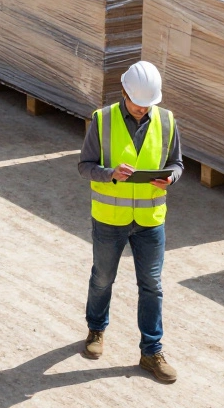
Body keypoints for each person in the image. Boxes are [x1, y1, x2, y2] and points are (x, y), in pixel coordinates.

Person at [77, 61, 183, 383]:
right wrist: (110, 175)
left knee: (152, 285)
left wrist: (171, 178)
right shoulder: (102, 120)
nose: (142, 109)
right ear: (124, 92)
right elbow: (84, 166)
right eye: (137, 103)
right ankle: (96, 330)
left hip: (150, 220)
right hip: (110, 219)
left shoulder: (166, 121)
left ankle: (151, 351)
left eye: (148, 104)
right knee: (103, 277)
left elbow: (177, 163)